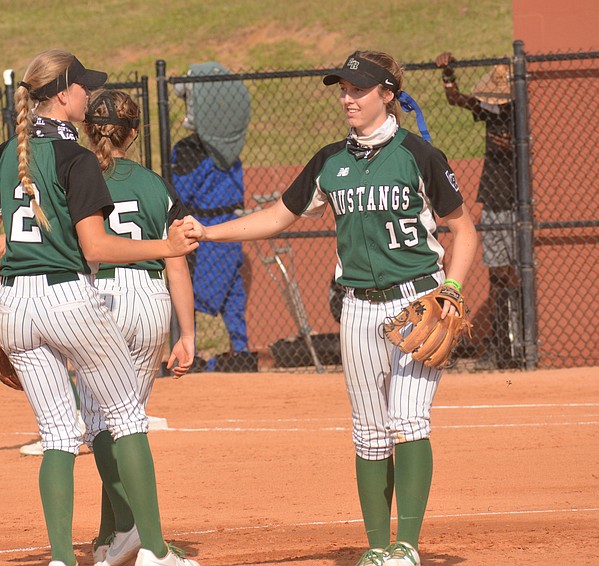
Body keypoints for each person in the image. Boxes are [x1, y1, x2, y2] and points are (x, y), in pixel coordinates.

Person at [185, 50, 479, 566]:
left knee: (408, 420)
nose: (347, 97)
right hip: (358, 310)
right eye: (342, 88)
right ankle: (378, 547)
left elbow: (464, 230)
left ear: (388, 94)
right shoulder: (330, 161)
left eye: (359, 89)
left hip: (418, 301)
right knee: (368, 430)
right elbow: (277, 217)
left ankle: (406, 546)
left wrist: (451, 288)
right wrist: (209, 232)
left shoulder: (419, 155)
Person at [0, 49, 200, 566]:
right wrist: (167, 248)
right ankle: (156, 553)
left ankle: (61, 559)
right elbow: (96, 249)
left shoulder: (7, 153)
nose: (88, 96)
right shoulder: (75, 159)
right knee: (126, 419)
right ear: (63, 94)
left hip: (17, 306)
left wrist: (0, 298)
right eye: (83, 88)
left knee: (58, 434)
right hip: (68, 297)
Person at [80, 88, 196, 566]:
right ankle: (112, 534)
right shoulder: (155, 185)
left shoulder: (76, 175)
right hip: (149, 300)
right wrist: (186, 333)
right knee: (125, 418)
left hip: (97, 297)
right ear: (134, 133)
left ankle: (132, 530)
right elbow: (176, 263)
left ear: (88, 131)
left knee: (102, 423)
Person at [435, 52, 520, 370]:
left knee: (515, 275)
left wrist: (514, 145)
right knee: (497, 275)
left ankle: (517, 345)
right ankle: (500, 347)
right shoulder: (492, 111)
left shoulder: (524, 115)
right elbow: (456, 99)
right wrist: (448, 74)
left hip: (519, 202)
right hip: (496, 199)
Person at [171, 62, 257, 373]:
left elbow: (181, 193)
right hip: (229, 227)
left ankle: (188, 351)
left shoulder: (188, 154)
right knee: (232, 289)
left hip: (203, 228)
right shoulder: (229, 154)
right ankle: (241, 349)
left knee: (192, 290)